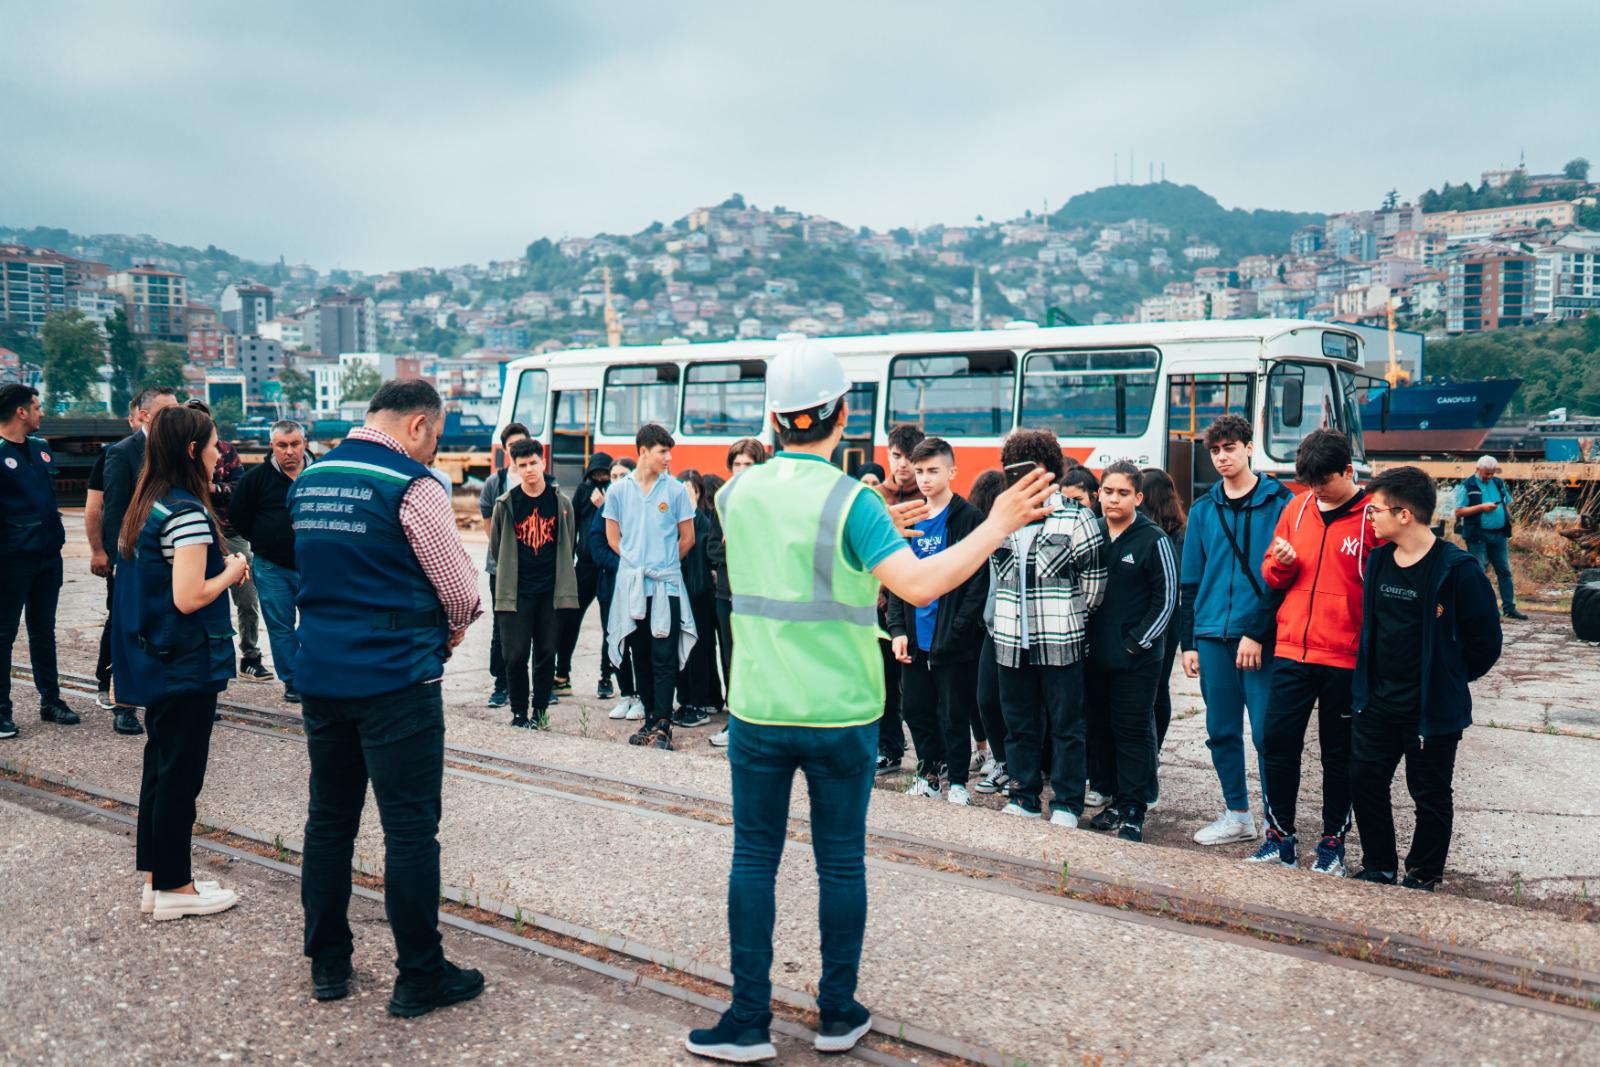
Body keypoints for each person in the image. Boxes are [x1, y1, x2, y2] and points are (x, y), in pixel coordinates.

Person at [687, 340, 1056, 1062]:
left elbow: (785, 517)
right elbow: (920, 584)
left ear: (773, 418)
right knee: (840, 862)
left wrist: (875, 514)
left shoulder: (736, 493)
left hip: (759, 709)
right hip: (842, 713)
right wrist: (997, 522)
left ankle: (747, 1019)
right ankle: (835, 1013)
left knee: (754, 857)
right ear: (845, 413)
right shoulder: (853, 502)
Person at [291, 379, 485, 1017]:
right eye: (435, 436)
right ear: (420, 426)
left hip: (321, 673)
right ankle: (419, 976)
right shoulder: (413, 485)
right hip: (396, 680)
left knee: (329, 822)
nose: (433, 449)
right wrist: (450, 630)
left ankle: (328, 963)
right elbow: (461, 592)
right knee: (408, 834)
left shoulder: (311, 479)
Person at [112, 404, 246, 920]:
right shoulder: (188, 513)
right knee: (180, 777)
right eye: (214, 445)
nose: (220, 453)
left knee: (161, 769)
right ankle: (175, 887)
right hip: (185, 662)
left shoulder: (150, 504)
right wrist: (233, 570)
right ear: (193, 451)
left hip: (158, 658)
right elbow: (190, 596)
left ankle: (158, 878)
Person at [1351, 466, 1503, 891]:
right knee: (1365, 784)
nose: (1371, 518)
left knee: (1430, 797)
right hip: (1376, 704)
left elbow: (1486, 643)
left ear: (1404, 515)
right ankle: (1379, 866)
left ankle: (1422, 875)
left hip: (1430, 710)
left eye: (1375, 510)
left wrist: (1447, 677)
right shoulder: (1379, 560)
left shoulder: (1458, 569)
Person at [1250, 428, 1380, 876]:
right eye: (1309, 483)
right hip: (1292, 651)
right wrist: (1280, 563)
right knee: (1276, 745)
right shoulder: (1297, 506)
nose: (1317, 492)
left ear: (1349, 471)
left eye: (1324, 483)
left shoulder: (1371, 518)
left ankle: (1332, 845)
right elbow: (1272, 575)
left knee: (1338, 756)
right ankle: (1279, 838)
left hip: (1345, 657)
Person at [1178, 414, 1293, 846]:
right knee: (1221, 730)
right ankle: (1237, 814)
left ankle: (1277, 823)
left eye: (1230, 448)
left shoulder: (1280, 503)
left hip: (1261, 637)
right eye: (1215, 450)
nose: (1222, 457)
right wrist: (1188, 641)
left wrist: (1258, 632)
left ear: (1249, 447)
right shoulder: (1205, 508)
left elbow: (1285, 579)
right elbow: (1192, 579)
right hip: (1210, 634)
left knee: (1267, 732)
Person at [990, 428, 1107, 828]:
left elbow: (1094, 584)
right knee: (1019, 725)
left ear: (1051, 472)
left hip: (1060, 639)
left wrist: (1069, 618)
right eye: (1015, 470)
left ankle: (1067, 803)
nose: (1022, 478)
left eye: (1032, 469)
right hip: (1009, 639)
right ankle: (1022, 796)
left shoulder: (1077, 517)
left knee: (1067, 726)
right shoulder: (1001, 518)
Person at [884, 437, 987, 805]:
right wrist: (897, 630)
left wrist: (958, 631)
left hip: (952, 642)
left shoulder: (968, 518)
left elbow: (977, 584)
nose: (925, 479)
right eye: (920, 471)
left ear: (951, 472)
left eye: (933, 471)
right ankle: (929, 773)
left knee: (954, 712)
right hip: (914, 638)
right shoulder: (911, 516)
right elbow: (896, 578)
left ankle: (957, 781)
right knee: (915, 709)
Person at [1083, 461, 1177, 843]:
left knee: (1132, 732)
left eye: (1123, 493)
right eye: (1108, 492)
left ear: (1138, 497)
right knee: (1100, 730)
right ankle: (1116, 801)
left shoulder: (1154, 540)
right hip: (1094, 657)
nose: (1113, 499)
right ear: (1098, 494)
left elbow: (1167, 599)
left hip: (1136, 661)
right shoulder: (1091, 535)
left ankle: (1135, 809)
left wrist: (1136, 642)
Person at [604, 423, 697, 751]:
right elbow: (612, 538)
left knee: (664, 655)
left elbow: (688, 538)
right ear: (643, 451)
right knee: (638, 653)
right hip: (633, 586)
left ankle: (664, 724)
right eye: (662, 451)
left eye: (669, 451)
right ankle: (648, 721)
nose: (668, 458)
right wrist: (634, 563)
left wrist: (665, 564)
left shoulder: (674, 491)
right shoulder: (618, 491)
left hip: (666, 586)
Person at [100, 385, 180, 735]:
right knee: (127, 627)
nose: (175, 416)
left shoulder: (175, 450)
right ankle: (124, 704)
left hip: (168, 555)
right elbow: (114, 510)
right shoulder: (122, 452)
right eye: (167, 410)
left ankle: (169, 694)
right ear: (145, 414)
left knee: (166, 624)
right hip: (132, 556)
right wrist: (118, 558)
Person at [488, 438, 579, 729]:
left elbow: (569, 540)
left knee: (545, 654)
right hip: (516, 592)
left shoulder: (561, 503)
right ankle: (518, 713)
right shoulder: (507, 503)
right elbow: (496, 546)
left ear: (543, 463)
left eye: (533, 463)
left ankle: (539, 713)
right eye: (522, 465)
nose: (529, 470)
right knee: (514, 655)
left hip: (550, 592)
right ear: (514, 466)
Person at [0, 383, 73, 738]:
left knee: (43, 630)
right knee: (3, 634)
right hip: (11, 559)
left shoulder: (42, 450)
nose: (41, 413)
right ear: (21, 412)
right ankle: (1, 710)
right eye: (37, 406)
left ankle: (51, 701)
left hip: (48, 555)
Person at [187, 399, 269, 683]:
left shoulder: (226, 451)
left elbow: (240, 488)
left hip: (230, 533)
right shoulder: (179, 455)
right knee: (201, 599)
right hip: (196, 536)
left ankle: (250, 655)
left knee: (247, 597)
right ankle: (206, 662)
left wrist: (213, 487)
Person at [230, 419, 311, 703]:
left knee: (317, 623)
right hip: (272, 568)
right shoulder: (256, 479)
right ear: (272, 447)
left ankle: (317, 675)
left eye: (295, 444)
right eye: (282, 445)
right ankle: (292, 681)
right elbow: (239, 517)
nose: (289, 451)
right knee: (281, 627)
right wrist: (265, 541)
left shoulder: (320, 475)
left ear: (305, 444)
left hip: (316, 566)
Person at [706, 442, 767, 748]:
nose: (742, 471)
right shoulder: (722, 502)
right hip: (726, 594)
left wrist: (738, 548)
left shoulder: (767, 505)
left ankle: (758, 721)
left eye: (749, 465)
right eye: (738, 465)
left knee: (757, 658)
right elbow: (713, 546)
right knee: (730, 658)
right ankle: (736, 722)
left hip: (758, 597)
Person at [86, 401, 139, 714]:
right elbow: (98, 508)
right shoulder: (114, 454)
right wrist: (100, 551)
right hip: (121, 555)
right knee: (117, 620)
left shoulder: (164, 454)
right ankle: (105, 682)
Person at [1138, 466, 1186, 807]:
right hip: (1172, 619)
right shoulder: (1179, 532)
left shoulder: (1161, 536)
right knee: (1158, 688)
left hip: (1161, 619)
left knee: (1153, 688)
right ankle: (1152, 751)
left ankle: (1150, 752)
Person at [478, 422, 531, 709]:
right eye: (512, 446)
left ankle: (530, 684)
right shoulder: (494, 483)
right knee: (502, 627)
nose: (517, 450)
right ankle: (501, 683)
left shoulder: (541, 478)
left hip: (533, 567)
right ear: (506, 449)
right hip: (501, 568)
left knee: (532, 624)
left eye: (522, 443)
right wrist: (507, 556)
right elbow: (489, 526)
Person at [966, 469, 1011, 795]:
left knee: (1013, 702)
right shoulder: (981, 533)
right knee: (986, 698)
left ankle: (1014, 765)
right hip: (989, 626)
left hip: (1008, 625)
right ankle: (1001, 760)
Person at [559, 451, 615, 698]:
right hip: (585, 565)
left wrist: (603, 506)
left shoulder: (615, 492)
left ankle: (606, 677)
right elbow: (572, 526)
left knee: (610, 625)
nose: (600, 478)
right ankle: (562, 674)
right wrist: (568, 562)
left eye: (605, 474)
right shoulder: (583, 491)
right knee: (569, 618)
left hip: (609, 567)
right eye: (596, 474)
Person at [594, 458, 643, 723]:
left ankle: (642, 697)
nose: (616, 480)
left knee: (639, 643)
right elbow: (596, 543)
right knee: (617, 639)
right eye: (612, 476)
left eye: (622, 474)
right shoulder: (605, 507)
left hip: (638, 586)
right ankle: (626, 693)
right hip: (611, 586)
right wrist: (623, 563)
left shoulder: (640, 503)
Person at [672, 470, 721, 729]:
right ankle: (687, 699)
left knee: (700, 649)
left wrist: (691, 510)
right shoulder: (672, 518)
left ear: (699, 493)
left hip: (701, 593)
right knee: (681, 647)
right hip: (679, 590)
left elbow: (706, 546)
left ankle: (700, 703)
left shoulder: (705, 519)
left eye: (689, 491)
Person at [1454, 455, 1527, 620]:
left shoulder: (1498, 483)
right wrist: (1481, 507)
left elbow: (1506, 502)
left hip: (1499, 534)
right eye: (1487, 473)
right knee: (1479, 572)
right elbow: (1459, 511)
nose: (1489, 476)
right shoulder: (1467, 485)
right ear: (1478, 469)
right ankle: (1481, 609)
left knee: (1505, 571)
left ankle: (1509, 608)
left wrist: (1507, 517)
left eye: (1492, 473)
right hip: (1477, 535)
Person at [882, 424, 925, 507]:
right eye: (897, 456)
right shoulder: (876, 496)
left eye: (910, 457)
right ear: (888, 455)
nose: (902, 464)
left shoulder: (931, 497)